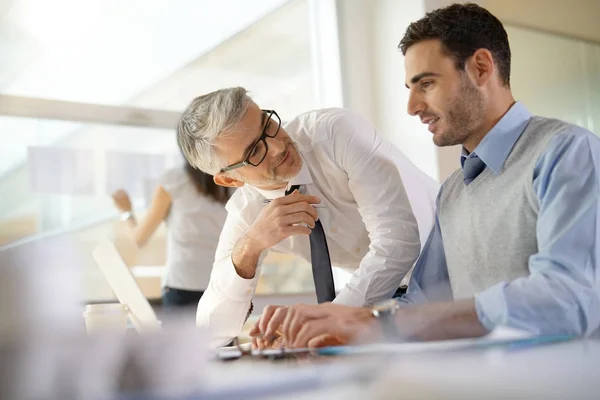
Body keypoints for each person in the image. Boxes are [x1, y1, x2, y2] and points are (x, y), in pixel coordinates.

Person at [251, 2, 600, 349]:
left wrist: (380, 321)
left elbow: (568, 295)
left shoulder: (568, 152)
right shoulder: (452, 192)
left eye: (427, 84)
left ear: (480, 68)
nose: (412, 106)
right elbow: (420, 304)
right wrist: (335, 324)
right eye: (410, 89)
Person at [176, 88, 440, 347]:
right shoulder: (248, 212)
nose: (278, 147)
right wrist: (250, 247)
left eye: (267, 125)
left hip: (456, 263)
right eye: (255, 152)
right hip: (390, 304)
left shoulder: (335, 133)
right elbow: (211, 332)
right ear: (230, 178)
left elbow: (398, 243)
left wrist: (325, 320)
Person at [111, 159, 230, 309]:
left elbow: (139, 238)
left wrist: (126, 212)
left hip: (182, 284)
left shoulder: (175, 180)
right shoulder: (234, 181)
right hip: (223, 286)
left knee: (180, 334)